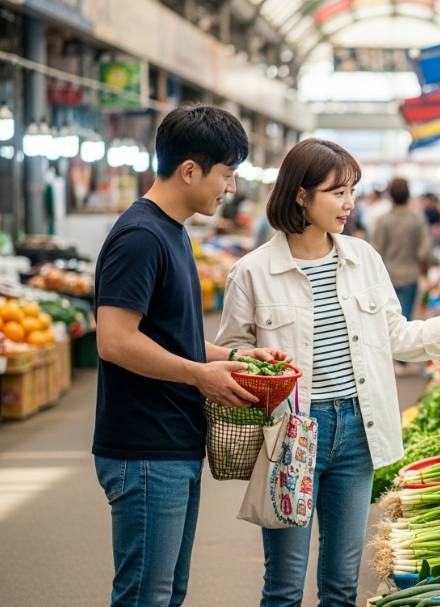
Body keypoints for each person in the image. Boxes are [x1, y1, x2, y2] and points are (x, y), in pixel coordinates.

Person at [215, 139, 440, 607]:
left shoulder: (364, 259)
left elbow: (396, 334)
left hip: (357, 430)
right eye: (337, 192)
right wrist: (255, 366)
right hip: (293, 436)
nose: (349, 203)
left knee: (342, 586)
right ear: (301, 196)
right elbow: (231, 352)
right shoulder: (253, 272)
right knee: (284, 587)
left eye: (352, 191)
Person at [92, 105, 287, 607]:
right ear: (190, 170)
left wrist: (236, 358)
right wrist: (200, 375)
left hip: (172, 441)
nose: (230, 188)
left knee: (167, 592)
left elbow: (168, 334)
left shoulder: (173, 231)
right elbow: (114, 340)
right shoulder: (141, 236)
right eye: (226, 174)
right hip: (144, 446)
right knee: (144, 596)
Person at [373, 178, 432, 322]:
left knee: (389, 318)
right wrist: (425, 271)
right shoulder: (417, 219)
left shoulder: (383, 221)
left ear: (391, 195)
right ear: (408, 194)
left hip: (387, 276)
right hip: (410, 275)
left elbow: (376, 250)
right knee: (405, 318)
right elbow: (425, 249)